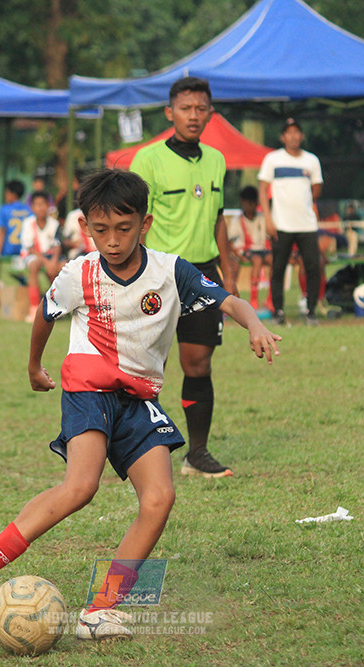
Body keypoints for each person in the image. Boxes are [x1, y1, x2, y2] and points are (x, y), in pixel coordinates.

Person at [0, 168, 281, 640]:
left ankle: (102, 608)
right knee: (81, 486)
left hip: (138, 399)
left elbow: (229, 302)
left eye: (123, 228)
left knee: (160, 498)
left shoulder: (170, 270)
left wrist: (255, 325)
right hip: (88, 390)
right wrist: (34, 367)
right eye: (101, 230)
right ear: (85, 227)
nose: (112, 241)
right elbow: (45, 313)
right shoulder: (80, 272)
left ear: (145, 223)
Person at [130, 76, 237, 478]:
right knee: (139, 366)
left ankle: (198, 453)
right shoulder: (148, 160)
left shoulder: (216, 159)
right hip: (156, 273)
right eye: (186, 108)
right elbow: (134, 219)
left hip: (203, 273)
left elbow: (219, 218)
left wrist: (228, 271)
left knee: (198, 364)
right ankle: (132, 451)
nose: (194, 115)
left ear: (211, 113)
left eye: (201, 108)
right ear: (169, 112)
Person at [258, 118, 324, 326]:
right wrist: (268, 219)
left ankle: (311, 311)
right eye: (289, 133)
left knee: (313, 267)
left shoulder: (311, 160)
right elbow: (262, 189)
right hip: (281, 224)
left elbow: (316, 189)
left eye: (297, 132)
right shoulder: (273, 159)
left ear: (302, 136)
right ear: (283, 137)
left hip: (306, 225)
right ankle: (278, 311)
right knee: (278, 268)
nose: (293, 136)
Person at [0, 180, 31, 306]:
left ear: (12, 194)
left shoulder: (5, 209)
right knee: (16, 270)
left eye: (6, 193)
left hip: (9, 249)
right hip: (24, 250)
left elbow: (2, 233)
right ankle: (24, 284)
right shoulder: (28, 210)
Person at [20, 190, 64, 321]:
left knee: (61, 268)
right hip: (33, 256)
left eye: (43, 204)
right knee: (34, 266)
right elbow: (31, 248)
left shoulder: (54, 224)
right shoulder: (28, 223)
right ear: (32, 207)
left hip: (50, 256)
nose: (41, 208)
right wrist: (47, 262)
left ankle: (57, 306)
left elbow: (57, 246)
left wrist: (54, 262)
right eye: (37, 205)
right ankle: (34, 308)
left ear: (48, 206)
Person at [228, 185, 271, 311]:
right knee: (257, 261)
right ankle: (254, 299)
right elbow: (231, 241)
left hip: (261, 250)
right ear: (243, 202)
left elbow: (267, 238)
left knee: (275, 261)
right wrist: (239, 255)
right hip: (245, 250)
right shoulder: (237, 220)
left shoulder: (261, 218)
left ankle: (270, 299)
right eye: (248, 203)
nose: (251, 206)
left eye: (253, 203)